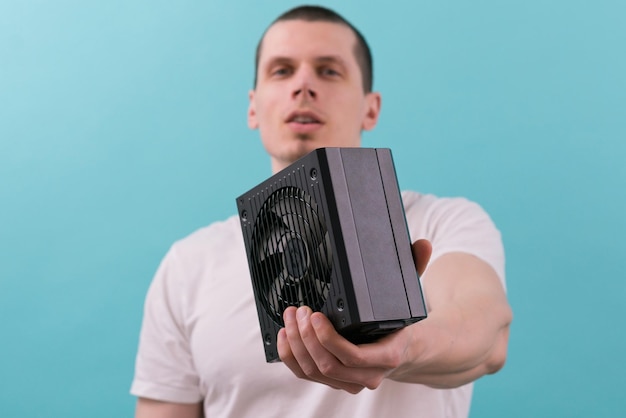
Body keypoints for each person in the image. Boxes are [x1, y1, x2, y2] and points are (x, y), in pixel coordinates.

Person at [130, 5, 512, 418]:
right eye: (281, 70)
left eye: (329, 70)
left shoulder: (443, 221)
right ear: (253, 107)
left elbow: (486, 334)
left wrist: (403, 349)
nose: (304, 85)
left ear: (371, 107)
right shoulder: (188, 265)